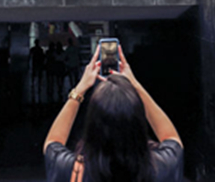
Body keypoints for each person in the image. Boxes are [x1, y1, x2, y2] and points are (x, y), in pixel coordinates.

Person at [44, 44, 184, 182]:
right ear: (139, 125)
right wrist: (135, 85)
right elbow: (171, 137)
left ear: (92, 126)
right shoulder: (161, 168)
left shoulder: (73, 170)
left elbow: (53, 142)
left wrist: (80, 89)